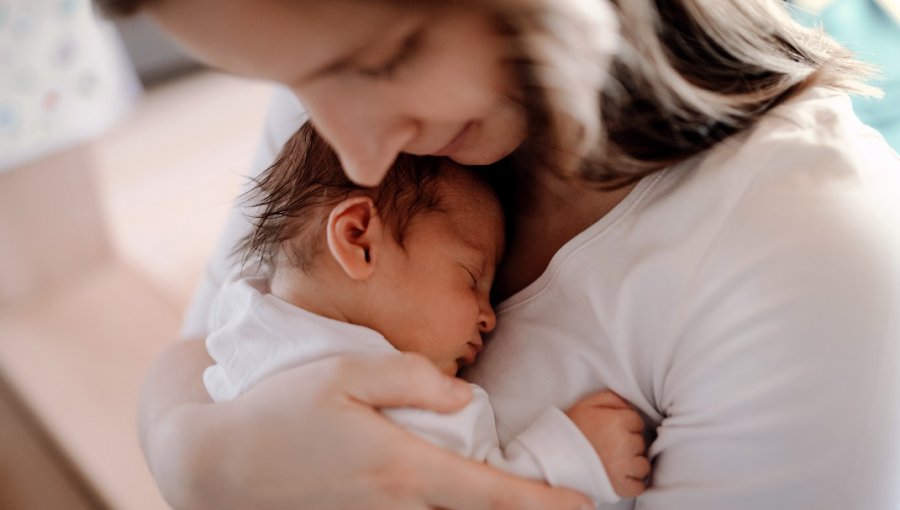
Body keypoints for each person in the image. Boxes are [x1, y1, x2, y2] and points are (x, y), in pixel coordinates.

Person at [96, 0, 900, 509]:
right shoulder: (347, 107)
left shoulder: (810, 253)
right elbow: (207, 346)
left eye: (381, 61)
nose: (358, 151)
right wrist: (191, 456)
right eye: (290, 81)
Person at [202, 122, 649, 505]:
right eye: (472, 278)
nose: (488, 318)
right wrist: (570, 455)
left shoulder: (244, 325)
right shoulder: (389, 390)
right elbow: (469, 496)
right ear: (358, 239)